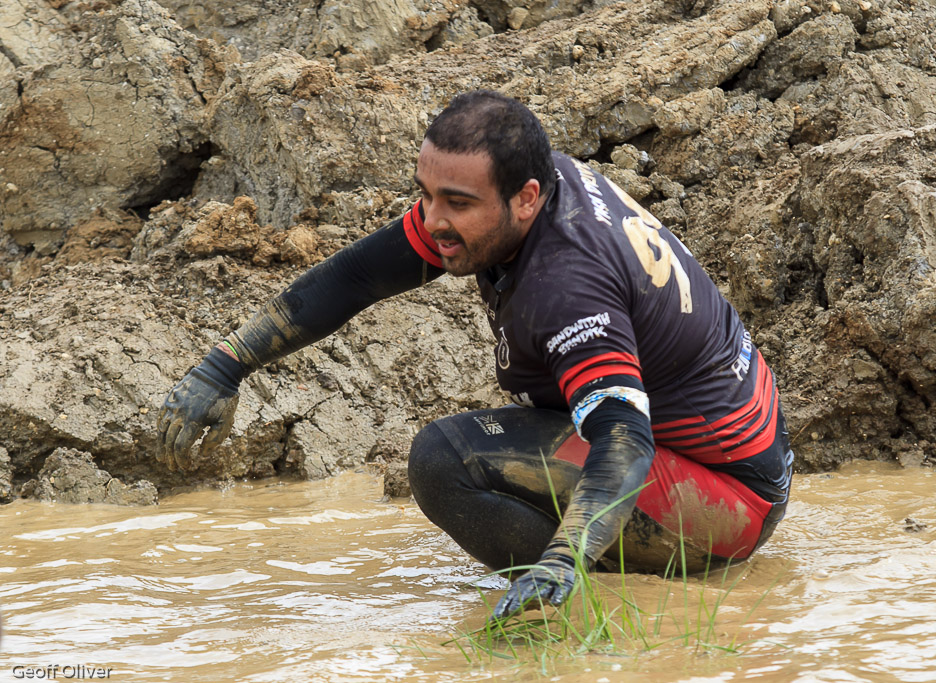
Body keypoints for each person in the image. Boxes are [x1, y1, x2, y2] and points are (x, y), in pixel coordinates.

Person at [156, 90, 794, 621]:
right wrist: (223, 365)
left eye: (456, 203)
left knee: (444, 460)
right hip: (725, 450)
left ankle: (560, 609)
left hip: (728, 500)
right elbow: (356, 276)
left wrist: (561, 559)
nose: (432, 220)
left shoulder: (566, 289)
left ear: (525, 197)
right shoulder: (527, 192)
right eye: (426, 194)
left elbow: (624, 441)